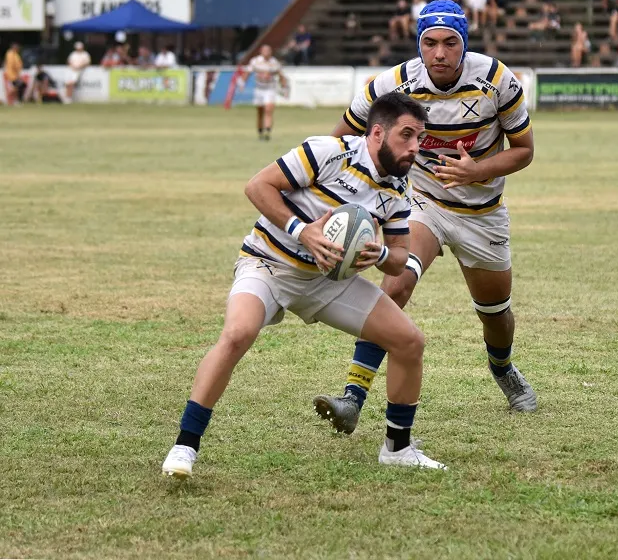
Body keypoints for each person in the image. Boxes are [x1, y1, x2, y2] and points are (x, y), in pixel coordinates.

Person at [160, 91, 446, 478]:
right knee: (237, 334)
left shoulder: (397, 188)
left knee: (410, 341)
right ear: (377, 133)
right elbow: (258, 186)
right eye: (407, 135)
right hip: (269, 264)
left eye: (419, 138)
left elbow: (399, 257)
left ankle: (397, 448)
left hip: (328, 282)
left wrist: (377, 255)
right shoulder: (328, 152)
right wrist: (302, 230)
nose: (415, 147)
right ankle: (185, 446)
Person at [313, 0, 537, 432]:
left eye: (450, 43)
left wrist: (478, 170)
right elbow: (340, 139)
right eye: (429, 43)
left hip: (483, 214)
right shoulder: (394, 84)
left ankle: (503, 367)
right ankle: (352, 398)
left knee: (494, 313)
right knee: (395, 285)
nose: (439, 53)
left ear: (464, 42)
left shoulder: (496, 80)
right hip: (425, 205)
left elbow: (525, 151)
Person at [241, 45, 288, 141]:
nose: (266, 52)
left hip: (270, 89)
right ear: (261, 51)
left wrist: (284, 88)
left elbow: (281, 75)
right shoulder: (255, 61)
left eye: (268, 50)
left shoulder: (274, 63)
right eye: (264, 50)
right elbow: (247, 72)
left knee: (268, 109)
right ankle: (260, 131)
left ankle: (267, 132)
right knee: (260, 111)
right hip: (259, 89)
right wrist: (242, 83)